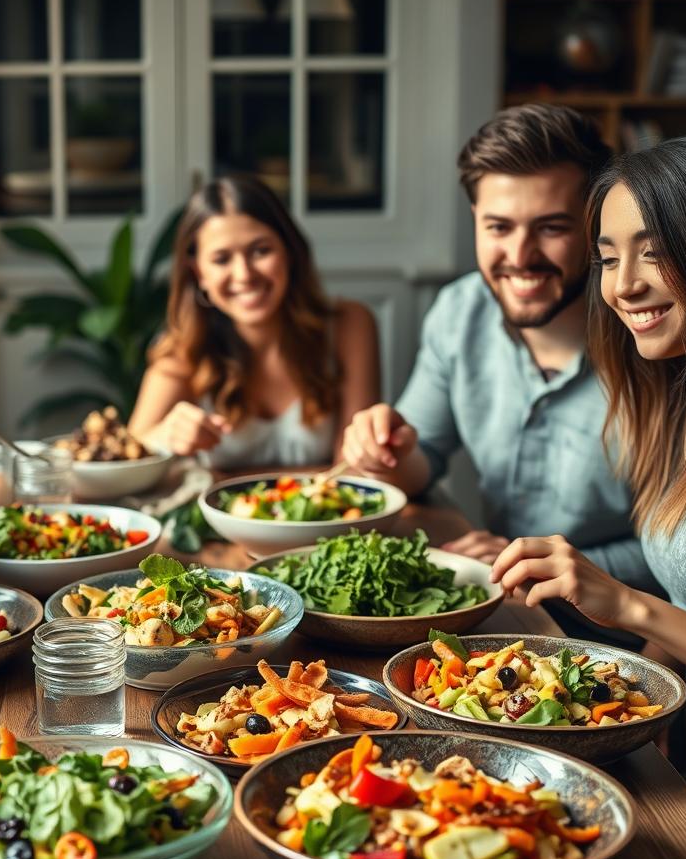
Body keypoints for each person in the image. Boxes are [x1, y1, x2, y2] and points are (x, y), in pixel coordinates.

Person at [341, 103, 656, 600]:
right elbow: (421, 457)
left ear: (596, 226)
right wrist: (385, 452)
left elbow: (685, 557)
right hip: (506, 608)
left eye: (551, 228)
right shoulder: (460, 310)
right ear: (475, 219)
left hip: (632, 629)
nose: (520, 257)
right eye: (498, 227)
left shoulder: (656, 338)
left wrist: (537, 562)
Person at [490, 135, 686, 801]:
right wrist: (654, 687)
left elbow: (662, 603)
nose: (622, 286)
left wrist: (628, 607)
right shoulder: (682, 402)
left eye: (656, 253)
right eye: (610, 259)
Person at [128, 174, 379, 468]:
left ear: (290, 252)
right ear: (199, 273)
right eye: (222, 259)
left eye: (261, 250)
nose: (244, 274)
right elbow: (132, 448)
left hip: (327, 511)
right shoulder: (183, 348)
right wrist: (164, 436)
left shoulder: (350, 324)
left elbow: (355, 467)